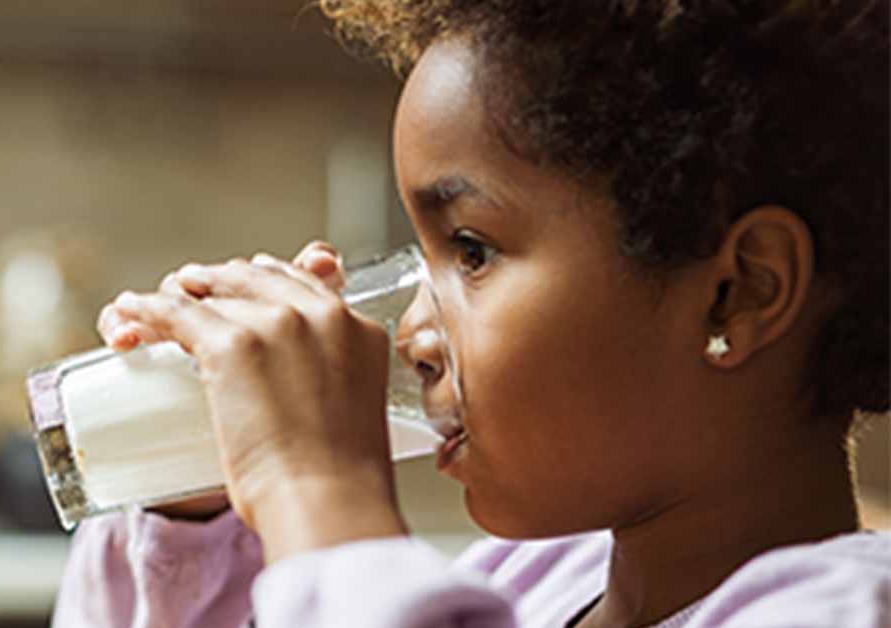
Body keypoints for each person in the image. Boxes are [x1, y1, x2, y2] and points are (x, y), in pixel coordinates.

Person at [52, 2, 890, 627]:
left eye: (472, 251)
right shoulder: (531, 581)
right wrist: (202, 514)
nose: (412, 333)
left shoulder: (842, 610)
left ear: (737, 291)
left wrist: (316, 490)